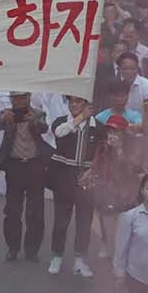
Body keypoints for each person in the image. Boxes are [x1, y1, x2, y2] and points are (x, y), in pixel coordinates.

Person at [0, 91, 52, 262]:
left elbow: (44, 128)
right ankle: (13, 247)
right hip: (15, 165)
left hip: (35, 165)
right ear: (11, 100)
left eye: (22, 98)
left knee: (36, 212)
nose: (19, 102)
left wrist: (34, 120)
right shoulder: (7, 113)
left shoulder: (38, 113)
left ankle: (32, 250)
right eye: (15, 98)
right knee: (12, 210)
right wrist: (4, 119)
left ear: (29, 97)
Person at [47, 96, 103, 277]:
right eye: (71, 102)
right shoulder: (62, 122)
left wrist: (93, 171)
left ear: (87, 104)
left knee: (84, 221)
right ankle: (57, 255)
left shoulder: (98, 127)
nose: (73, 105)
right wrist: (80, 118)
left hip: (87, 179)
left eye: (78, 102)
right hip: (64, 176)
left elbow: (103, 154)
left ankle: (80, 259)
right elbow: (59, 133)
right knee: (61, 221)